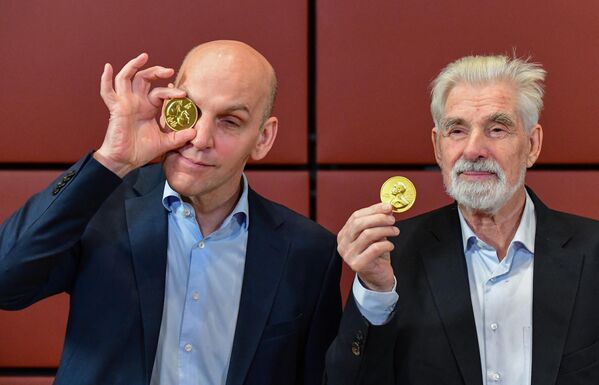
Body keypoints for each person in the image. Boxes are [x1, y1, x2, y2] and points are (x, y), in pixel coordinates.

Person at [0, 40, 341, 385]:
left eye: (230, 122)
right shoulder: (99, 204)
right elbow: (6, 280)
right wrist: (112, 159)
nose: (199, 138)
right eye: (189, 110)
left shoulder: (309, 252)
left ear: (263, 138)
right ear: (167, 107)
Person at [325, 55, 599, 385]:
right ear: (438, 148)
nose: (473, 149)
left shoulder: (593, 253)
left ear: (532, 144)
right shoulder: (393, 257)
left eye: (497, 129)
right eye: (456, 130)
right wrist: (375, 293)